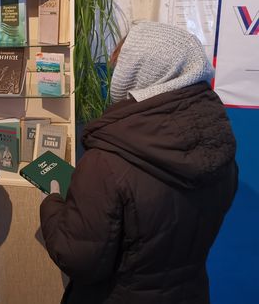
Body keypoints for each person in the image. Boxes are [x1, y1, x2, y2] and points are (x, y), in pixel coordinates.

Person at [40, 21, 238, 304]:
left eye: (119, 67)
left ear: (139, 73)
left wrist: (51, 204)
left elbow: (79, 258)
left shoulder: (107, 160)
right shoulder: (218, 146)